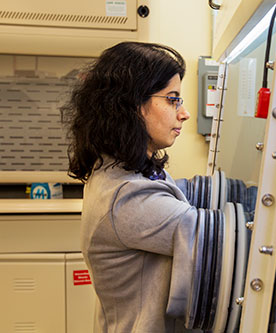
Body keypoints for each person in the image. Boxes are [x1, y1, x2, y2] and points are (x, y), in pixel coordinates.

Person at [61, 41, 199, 332]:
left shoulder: (121, 170)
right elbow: (214, 241)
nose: (183, 113)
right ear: (134, 107)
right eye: (173, 99)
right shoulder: (128, 196)